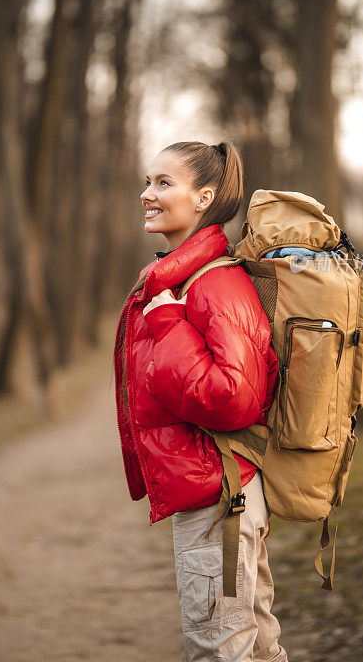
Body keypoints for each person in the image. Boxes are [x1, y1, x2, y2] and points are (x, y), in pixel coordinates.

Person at [113, 140, 288, 662]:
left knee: (220, 653)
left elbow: (234, 398)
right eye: (148, 181)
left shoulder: (214, 284)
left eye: (164, 183)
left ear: (205, 197)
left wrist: (167, 323)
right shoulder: (178, 279)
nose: (148, 194)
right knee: (254, 650)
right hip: (218, 495)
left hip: (218, 500)